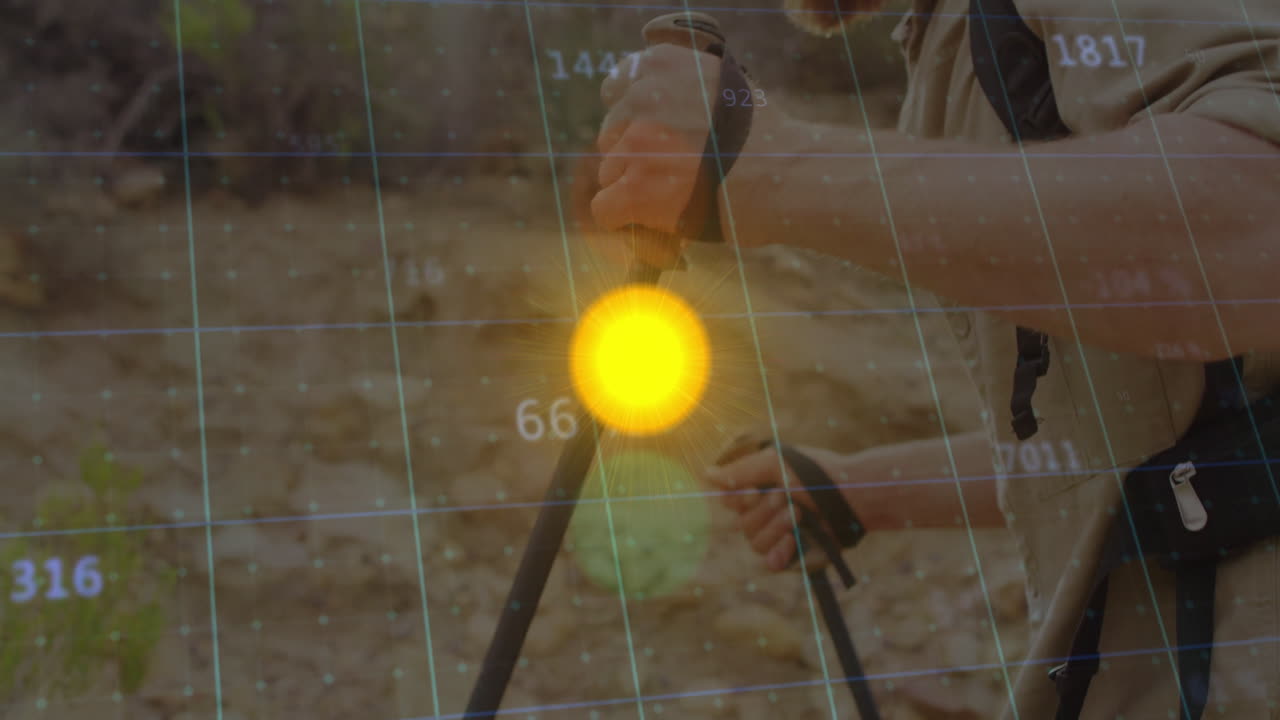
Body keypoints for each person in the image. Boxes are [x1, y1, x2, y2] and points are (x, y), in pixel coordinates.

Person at [591, 0, 1280, 717]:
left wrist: (774, 167)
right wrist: (854, 489)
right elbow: (1130, 442)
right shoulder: (948, 36)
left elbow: (1261, 228)